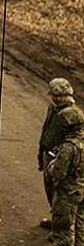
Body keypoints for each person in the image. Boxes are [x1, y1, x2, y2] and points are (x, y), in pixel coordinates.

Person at [44, 110, 84, 246]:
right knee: (81, 223)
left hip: (67, 192)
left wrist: (52, 164)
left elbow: (58, 172)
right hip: (82, 189)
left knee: (63, 226)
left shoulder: (69, 148)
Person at [40, 78, 83, 229]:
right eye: (54, 95)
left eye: (61, 95)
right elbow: (46, 130)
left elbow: (76, 139)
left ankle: (63, 227)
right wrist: (41, 153)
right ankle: (56, 221)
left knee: (61, 195)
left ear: (68, 94)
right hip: (48, 153)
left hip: (61, 158)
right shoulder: (53, 108)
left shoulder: (71, 114)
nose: (58, 98)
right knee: (50, 189)